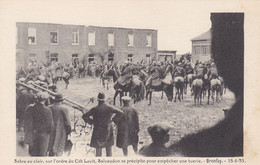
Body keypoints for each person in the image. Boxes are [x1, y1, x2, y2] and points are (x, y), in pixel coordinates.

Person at [168, 13, 244, 157]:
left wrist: (200, 74)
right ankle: (206, 92)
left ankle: (193, 92)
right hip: (207, 77)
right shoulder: (205, 68)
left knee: (201, 83)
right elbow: (203, 74)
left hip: (197, 77)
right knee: (205, 84)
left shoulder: (196, 68)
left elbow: (197, 73)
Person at [82, 92, 124, 157]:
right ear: (105, 99)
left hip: (97, 130)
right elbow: (121, 113)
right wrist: (113, 119)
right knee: (109, 147)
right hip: (108, 129)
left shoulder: (94, 109)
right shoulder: (110, 107)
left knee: (98, 148)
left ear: (98, 99)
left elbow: (84, 116)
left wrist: (92, 122)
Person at [24, 92, 54, 156]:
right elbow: (50, 126)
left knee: (33, 154)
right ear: (45, 100)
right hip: (44, 135)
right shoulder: (48, 110)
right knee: (42, 154)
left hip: (33, 134)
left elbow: (27, 124)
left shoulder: (30, 108)